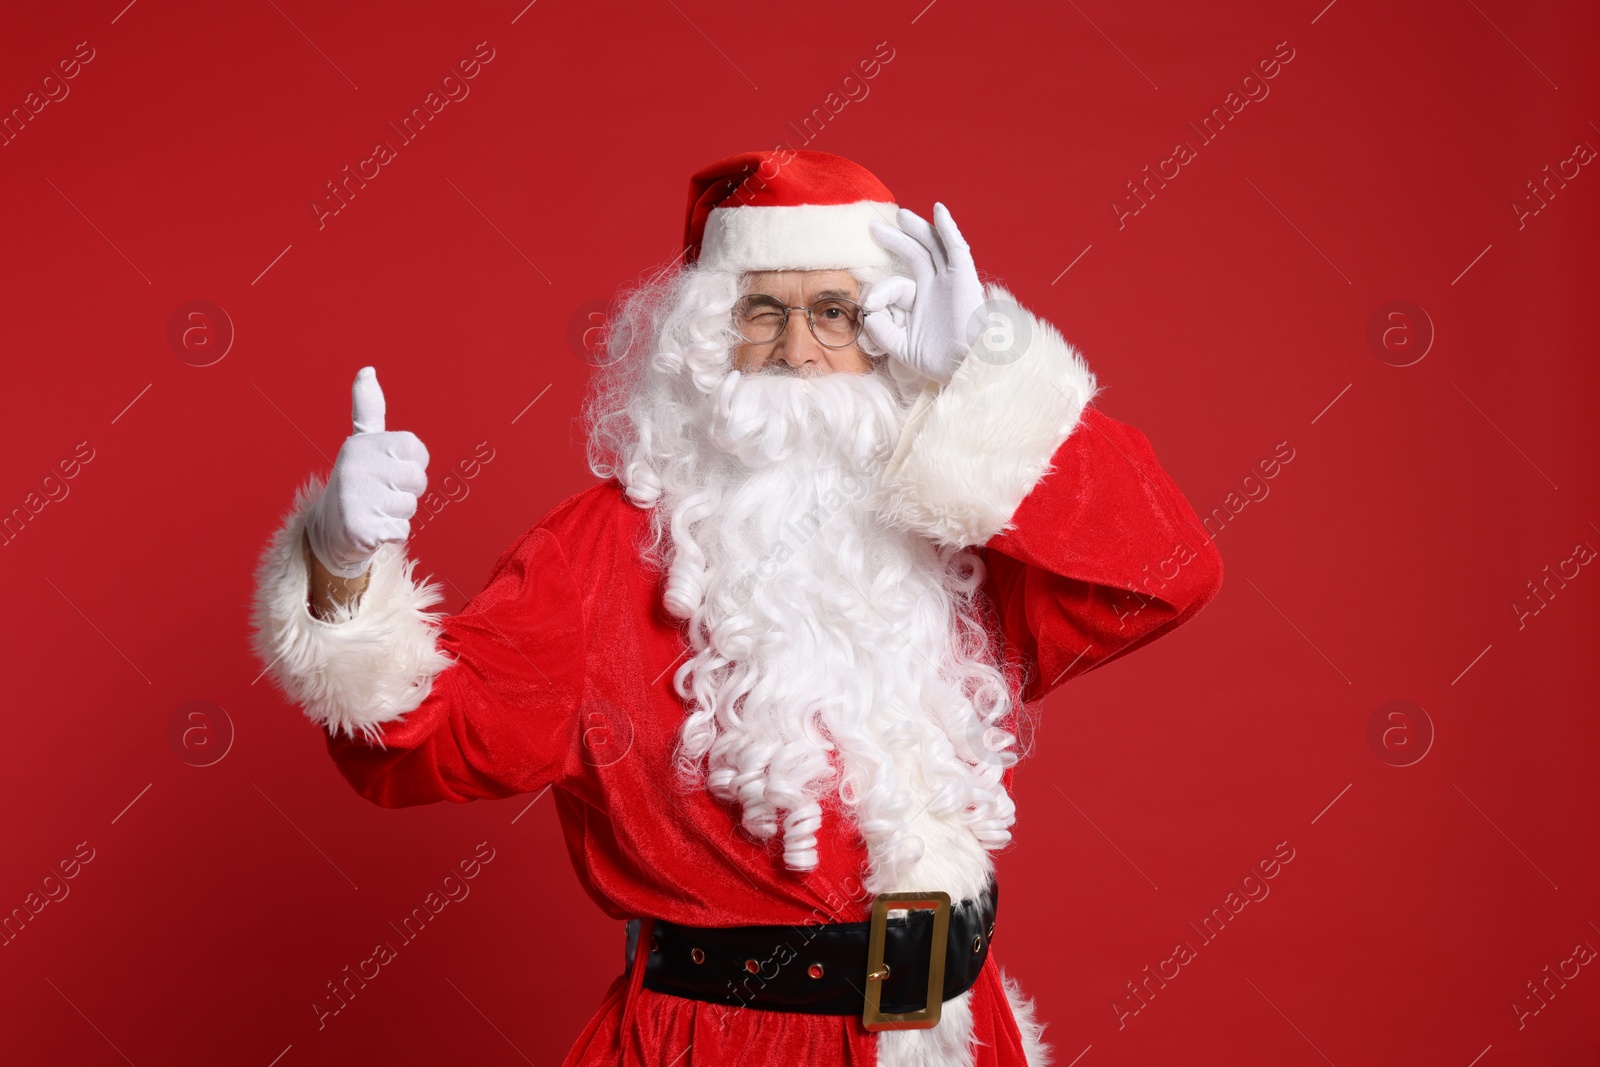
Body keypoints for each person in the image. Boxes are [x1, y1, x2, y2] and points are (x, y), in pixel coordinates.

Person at [250, 150, 1223, 1067]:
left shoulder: (958, 539)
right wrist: (341, 566)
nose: (797, 350)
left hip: (957, 1032)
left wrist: (987, 380)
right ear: (703, 338)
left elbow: (1166, 572)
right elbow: (420, 744)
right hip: (725, 1042)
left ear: (889, 338)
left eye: (835, 312)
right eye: (763, 309)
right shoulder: (601, 548)